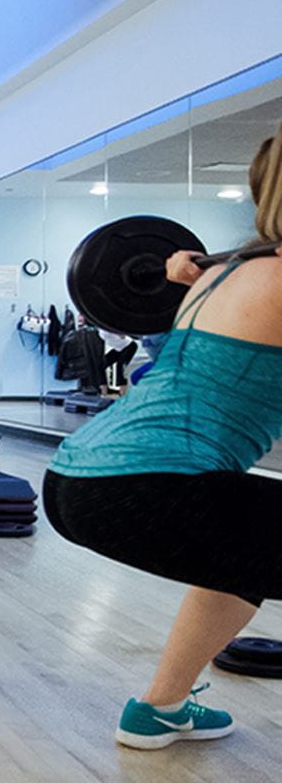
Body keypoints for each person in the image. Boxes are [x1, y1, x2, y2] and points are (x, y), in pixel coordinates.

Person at [43, 125, 282, 750]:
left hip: (79, 476)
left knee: (247, 554)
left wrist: (182, 273)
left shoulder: (219, 275)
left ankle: (161, 708)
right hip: (149, 483)